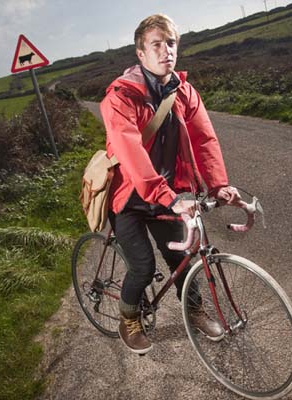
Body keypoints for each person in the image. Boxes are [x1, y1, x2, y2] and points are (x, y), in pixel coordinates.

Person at [100, 13, 241, 355]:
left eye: (171, 43)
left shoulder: (184, 91)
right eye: (157, 44)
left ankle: (193, 311)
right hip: (130, 197)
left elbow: (204, 139)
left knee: (184, 258)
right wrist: (170, 198)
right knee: (143, 266)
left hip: (164, 195)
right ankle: (128, 317)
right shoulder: (120, 97)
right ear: (140, 53)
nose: (166, 51)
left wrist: (218, 184)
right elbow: (130, 152)